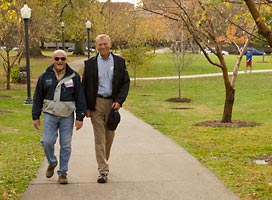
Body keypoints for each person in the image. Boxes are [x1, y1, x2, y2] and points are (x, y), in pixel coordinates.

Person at [32, 49, 86, 184]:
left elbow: (80, 97)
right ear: (53, 60)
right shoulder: (45, 76)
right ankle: (52, 162)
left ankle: (63, 173)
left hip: (67, 116)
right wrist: (35, 116)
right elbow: (37, 97)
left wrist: (80, 117)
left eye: (62, 59)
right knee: (46, 141)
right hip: (50, 115)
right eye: (57, 59)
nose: (60, 61)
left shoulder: (73, 76)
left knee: (66, 145)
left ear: (66, 60)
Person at [82, 34, 130, 184]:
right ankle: (103, 170)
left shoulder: (119, 62)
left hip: (112, 104)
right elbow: (85, 86)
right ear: (96, 46)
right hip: (96, 103)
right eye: (99, 44)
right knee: (99, 138)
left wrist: (119, 101)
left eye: (104, 44)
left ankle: (103, 160)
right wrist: (87, 107)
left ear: (110, 44)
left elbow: (125, 83)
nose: (102, 47)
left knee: (109, 136)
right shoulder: (90, 64)